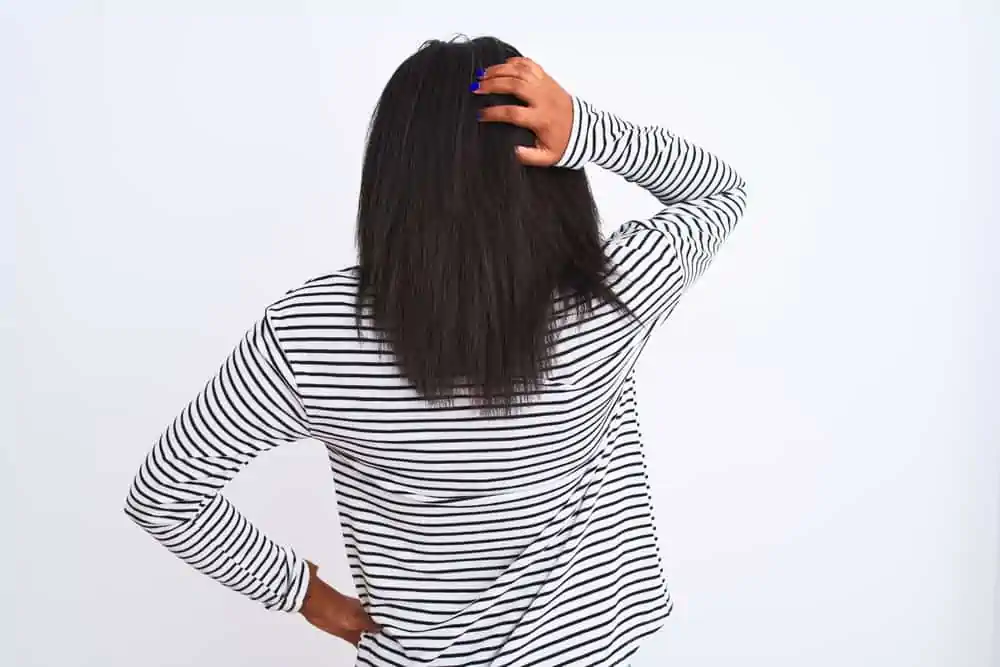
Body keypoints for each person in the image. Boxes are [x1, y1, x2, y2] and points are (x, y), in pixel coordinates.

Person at [124, 35, 748, 667]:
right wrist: (586, 128)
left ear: (392, 172)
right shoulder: (612, 292)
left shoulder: (311, 332)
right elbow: (722, 193)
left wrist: (306, 595)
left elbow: (165, 494)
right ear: (546, 165)